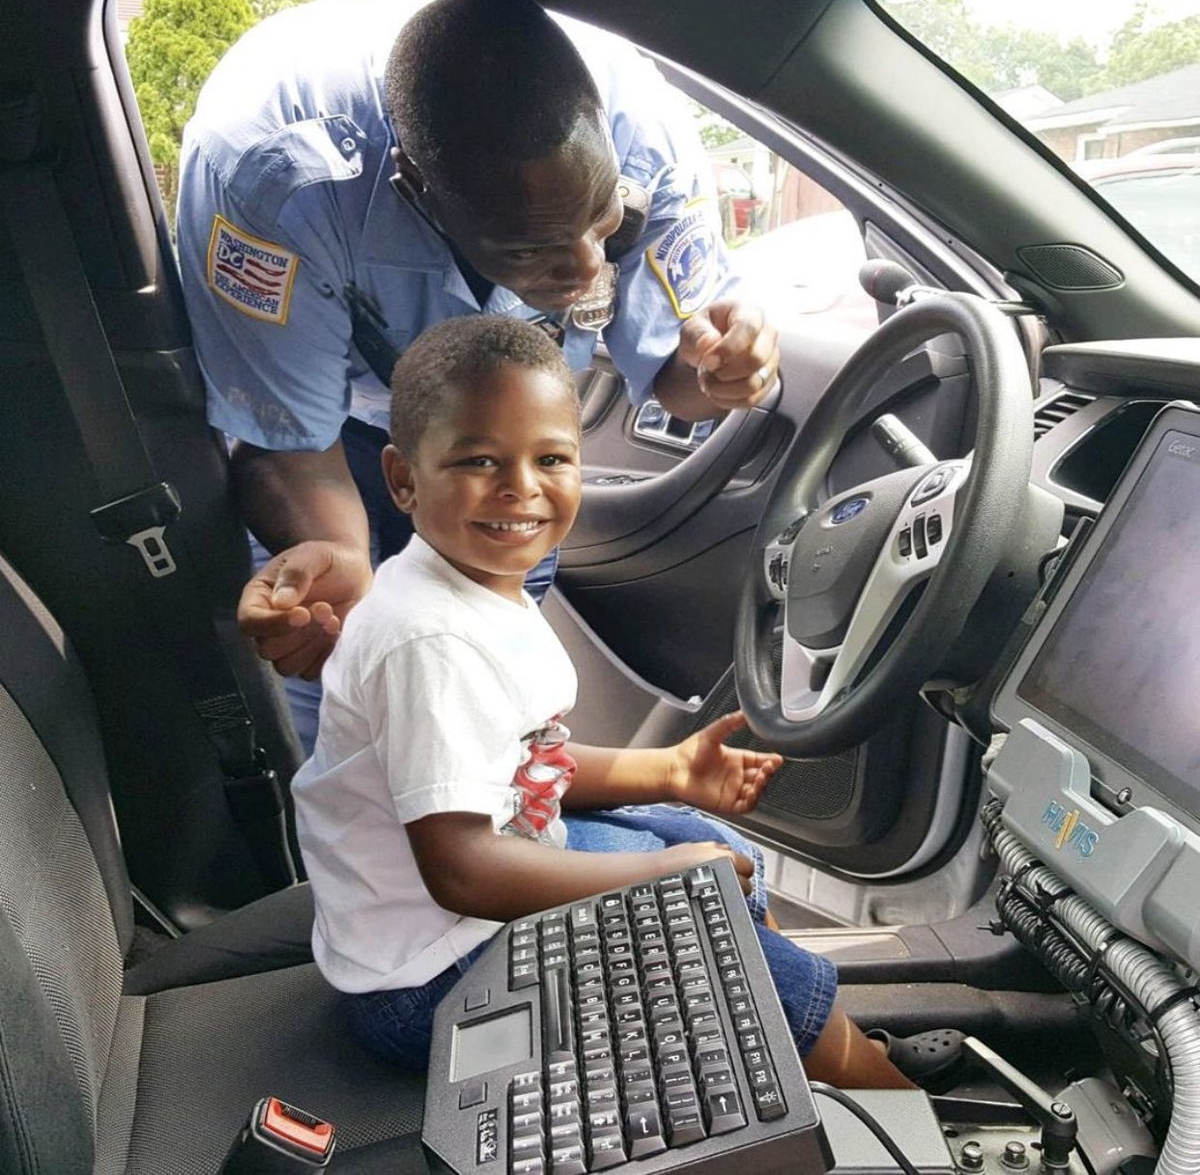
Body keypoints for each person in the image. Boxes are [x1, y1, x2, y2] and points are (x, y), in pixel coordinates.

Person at [292, 313, 947, 1089]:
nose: (520, 488)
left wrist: (668, 773)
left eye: (552, 459)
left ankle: (798, 1045)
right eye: (478, 460)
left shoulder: (469, 590)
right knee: (708, 926)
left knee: (691, 837)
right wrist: (663, 878)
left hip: (457, 921)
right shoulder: (427, 642)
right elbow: (462, 871)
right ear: (402, 478)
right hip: (429, 984)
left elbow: (519, 756)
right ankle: (879, 1094)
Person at [175, 0, 782, 749]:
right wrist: (341, 561)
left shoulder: (644, 134)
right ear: (419, 189)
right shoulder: (272, 180)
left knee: (500, 726)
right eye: (530, 250)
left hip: (506, 434)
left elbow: (677, 379)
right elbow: (288, 442)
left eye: (603, 220)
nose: (585, 267)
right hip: (345, 442)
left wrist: (726, 369)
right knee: (354, 726)